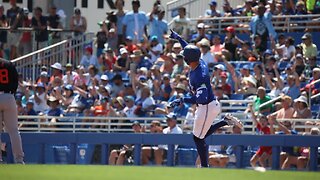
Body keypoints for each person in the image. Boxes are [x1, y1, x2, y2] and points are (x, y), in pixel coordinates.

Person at [169, 29, 243, 167]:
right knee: (199, 137)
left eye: (184, 56)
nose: (183, 57)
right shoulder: (199, 61)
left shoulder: (200, 76)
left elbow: (200, 99)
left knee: (198, 138)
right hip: (207, 106)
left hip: (207, 106)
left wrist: (183, 100)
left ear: (187, 59)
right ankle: (224, 122)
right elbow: (189, 49)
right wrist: (178, 38)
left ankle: (204, 166)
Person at [0, 59, 24, 164]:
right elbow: (15, 80)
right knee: (14, 131)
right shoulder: (8, 64)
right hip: (8, 96)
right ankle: (19, 159)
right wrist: (11, 94)